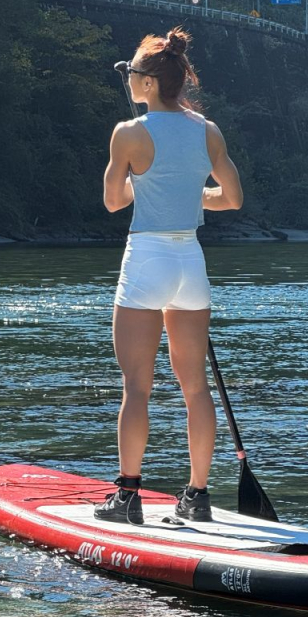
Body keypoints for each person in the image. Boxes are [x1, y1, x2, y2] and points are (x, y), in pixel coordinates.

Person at [98, 28, 243, 526]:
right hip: (190, 263)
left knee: (137, 387)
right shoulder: (209, 130)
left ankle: (127, 497)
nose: (128, 78)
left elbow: (113, 201)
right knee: (195, 387)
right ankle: (197, 496)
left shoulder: (128, 132)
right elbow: (232, 198)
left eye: (132, 71)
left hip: (147, 259)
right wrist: (189, 194)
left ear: (150, 82)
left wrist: (145, 185)